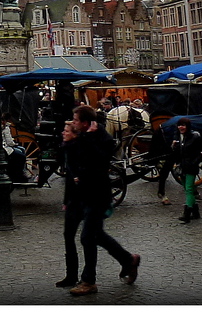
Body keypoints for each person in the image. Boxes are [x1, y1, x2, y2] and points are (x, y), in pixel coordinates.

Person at [57, 105, 140, 296]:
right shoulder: (82, 135)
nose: (73, 123)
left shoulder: (101, 137)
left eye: (76, 120)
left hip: (96, 195)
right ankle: (128, 259)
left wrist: (87, 139)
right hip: (80, 195)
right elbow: (72, 164)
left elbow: (100, 160)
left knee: (88, 237)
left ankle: (89, 281)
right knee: (94, 235)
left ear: (85, 123)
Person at [172, 118, 202, 223]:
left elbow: (199, 153)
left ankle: (187, 213)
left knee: (189, 189)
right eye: (179, 125)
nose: (181, 127)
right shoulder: (179, 137)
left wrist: (193, 163)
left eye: (183, 125)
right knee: (186, 188)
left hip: (191, 167)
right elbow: (178, 153)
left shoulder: (194, 137)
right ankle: (195, 212)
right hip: (182, 167)